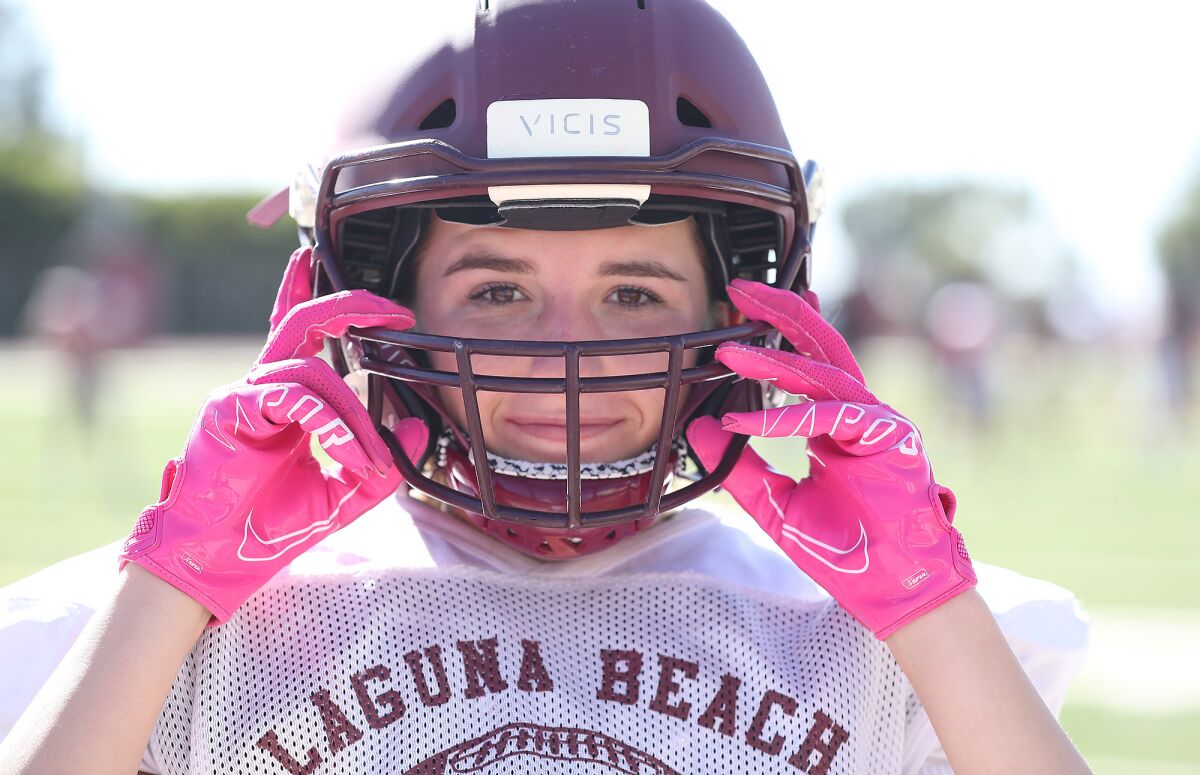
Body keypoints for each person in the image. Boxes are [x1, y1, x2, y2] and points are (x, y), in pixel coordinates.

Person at [0, 1, 1092, 773]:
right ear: (375, 297)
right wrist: (170, 587)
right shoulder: (150, 631)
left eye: (632, 293)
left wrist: (933, 612)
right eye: (495, 291)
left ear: (739, 308)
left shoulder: (874, 631)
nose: (563, 353)